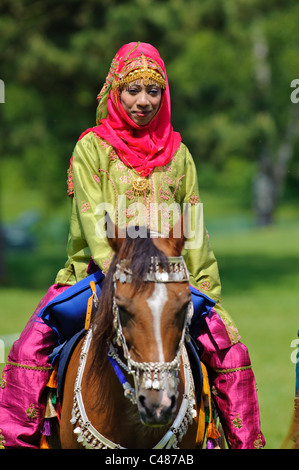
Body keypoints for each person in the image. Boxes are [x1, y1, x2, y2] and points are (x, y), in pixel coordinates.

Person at [0, 42, 265, 449]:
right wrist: (114, 268)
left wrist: (204, 288)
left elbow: (193, 225)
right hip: (99, 276)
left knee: (230, 351)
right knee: (29, 345)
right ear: (115, 92)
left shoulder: (179, 155)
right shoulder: (92, 146)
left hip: (171, 279)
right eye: (133, 90)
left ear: (164, 95)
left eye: (153, 91)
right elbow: (90, 215)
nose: (143, 101)